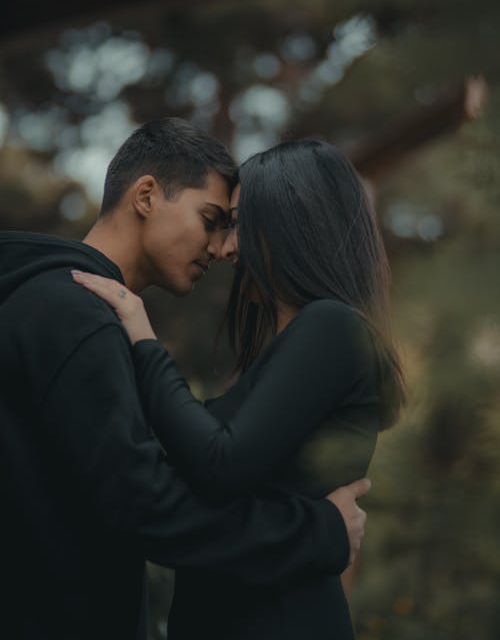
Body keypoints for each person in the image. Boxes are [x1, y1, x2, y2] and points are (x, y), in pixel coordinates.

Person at [0, 119, 370, 640]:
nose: (220, 249)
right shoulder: (75, 315)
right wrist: (319, 531)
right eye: (212, 219)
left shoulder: (49, 303)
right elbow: (145, 504)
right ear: (147, 195)